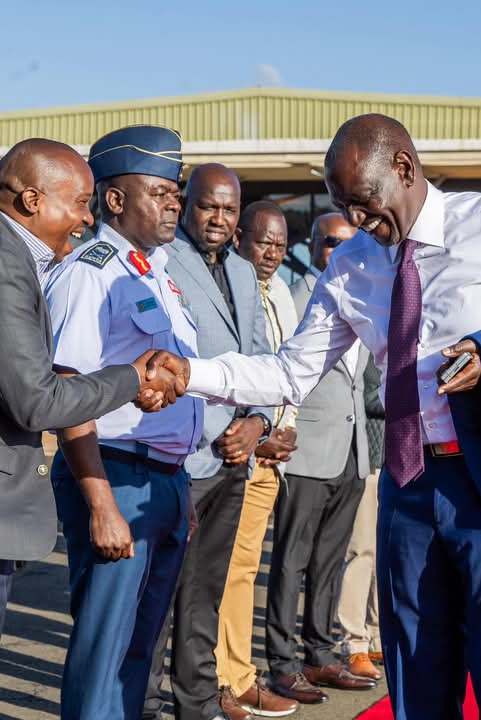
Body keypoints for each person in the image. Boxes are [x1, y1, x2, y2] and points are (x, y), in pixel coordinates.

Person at [147, 113, 481, 720]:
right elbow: (290, 372)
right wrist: (191, 374)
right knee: (415, 681)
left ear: (403, 166)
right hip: (409, 487)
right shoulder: (351, 265)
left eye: (364, 201)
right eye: (344, 206)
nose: (358, 219)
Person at [0, 138, 179, 720]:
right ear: (31, 200)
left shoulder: (3, 256)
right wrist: (132, 376)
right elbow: (37, 399)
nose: (85, 217)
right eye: (77, 202)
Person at [44, 125, 204, 720]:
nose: (173, 204)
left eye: (175, 193)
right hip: (114, 473)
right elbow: (68, 394)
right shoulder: (90, 272)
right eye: (159, 192)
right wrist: (101, 503)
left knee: (141, 650)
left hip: (163, 479)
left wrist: (178, 488)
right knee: (105, 648)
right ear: (114, 199)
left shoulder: (156, 273)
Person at [145, 164, 273, 720]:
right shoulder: (161, 261)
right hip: (182, 457)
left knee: (206, 590)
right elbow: (159, 359)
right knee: (161, 593)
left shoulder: (244, 271)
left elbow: (264, 359)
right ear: (186, 205)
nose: (219, 218)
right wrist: (219, 429)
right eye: (208, 206)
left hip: (235, 460)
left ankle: (196, 700)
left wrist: (258, 422)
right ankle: (144, 702)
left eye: (229, 209)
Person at [262, 213, 374, 705]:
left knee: (330, 562)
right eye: (331, 242)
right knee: (291, 562)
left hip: (351, 453)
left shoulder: (364, 299)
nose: (341, 252)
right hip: (306, 451)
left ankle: (321, 654)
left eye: (350, 243)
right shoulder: (295, 298)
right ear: (312, 246)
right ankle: (282, 663)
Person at [214, 200, 300, 718]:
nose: (272, 253)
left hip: (272, 457)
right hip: (237, 453)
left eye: (281, 245)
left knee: (246, 571)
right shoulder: (227, 286)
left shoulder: (280, 293)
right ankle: (222, 680)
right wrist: (256, 434)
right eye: (264, 241)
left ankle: (240, 674)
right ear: (240, 237)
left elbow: (286, 370)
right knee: (224, 573)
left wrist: (281, 427)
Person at [337, 352, 384, 680]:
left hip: (404, 460)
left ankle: (379, 635)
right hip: (369, 457)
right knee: (361, 552)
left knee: (387, 554)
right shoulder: (371, 336)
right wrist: (415, 397)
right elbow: (365, 395)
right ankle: (354, 642)